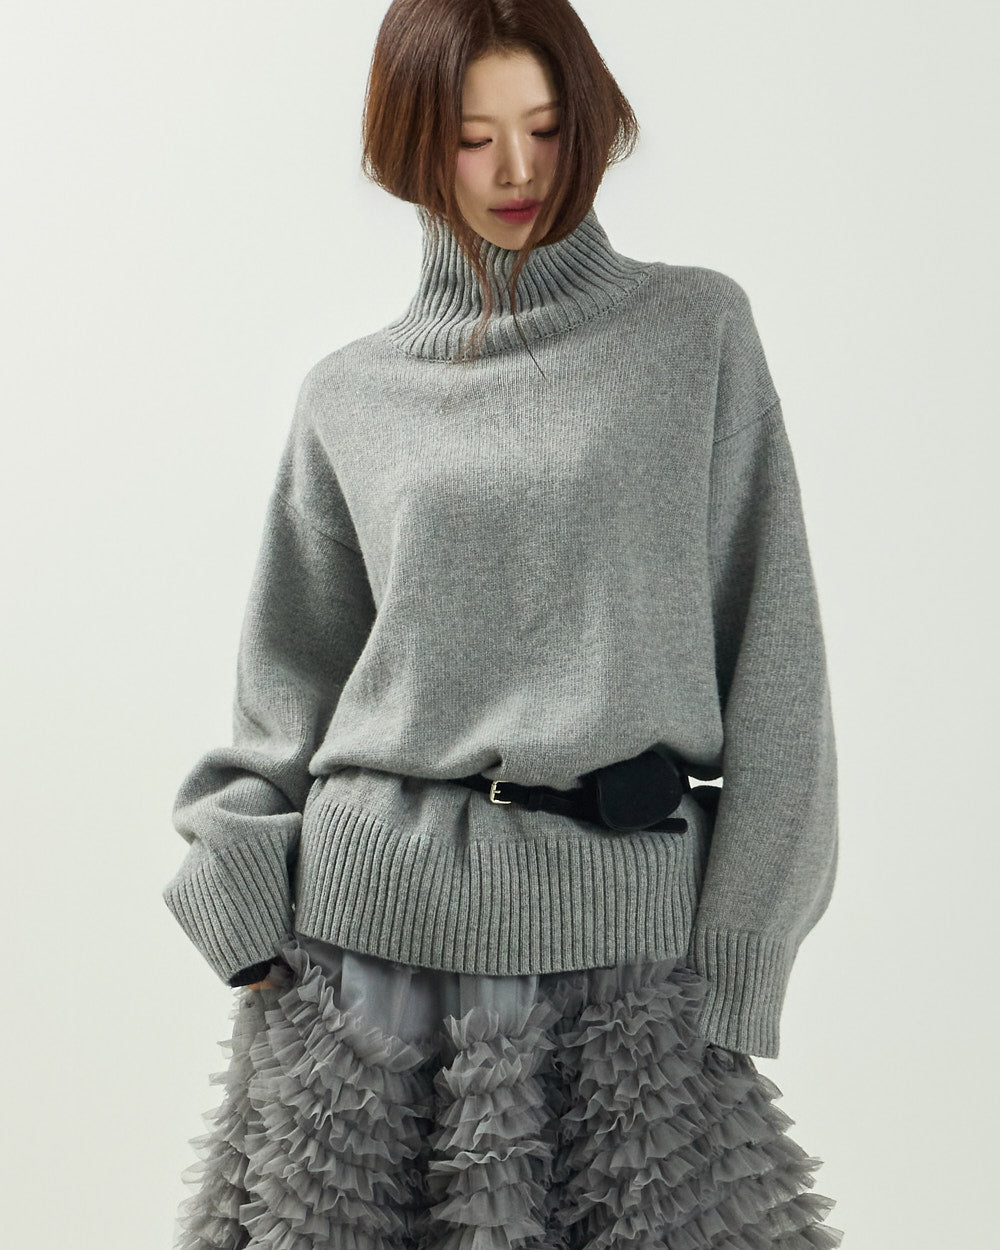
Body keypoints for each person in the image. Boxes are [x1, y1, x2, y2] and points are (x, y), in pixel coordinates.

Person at [163, 2, 845, 1246]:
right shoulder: (349, 394)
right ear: (412, 145)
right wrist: (245, 909)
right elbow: (286, 687)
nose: (518, 169)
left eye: (546, 126)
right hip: (368, 966)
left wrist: (744, 952)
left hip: (630, 960)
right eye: (474, 138)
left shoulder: (694, 332)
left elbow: (778, 665)